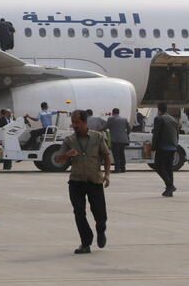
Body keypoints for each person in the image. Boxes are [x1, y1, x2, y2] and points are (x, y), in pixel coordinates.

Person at [54, 110, 110, 254]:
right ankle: (85, 242)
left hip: (95, 181)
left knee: (100, 214)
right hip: (76, 182)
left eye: (76, 122)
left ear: (85, 122)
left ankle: (101, 230)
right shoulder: (69, 140)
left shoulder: (98, 137)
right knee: (79, 213)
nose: (74, 125)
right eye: (72, 122)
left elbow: (106, 156)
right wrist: (67, 154)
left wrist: (107, 175)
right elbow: (57, 159)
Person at [149, 103, 179, 196]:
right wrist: (176, 145)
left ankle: (170, 186)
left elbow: (156, 134)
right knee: (169, 168)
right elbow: (177, 134)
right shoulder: (173, 119)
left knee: (158, 166)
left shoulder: (159, 118)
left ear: (158, 109)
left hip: (163, 146)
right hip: (173, 146)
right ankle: (169, 191)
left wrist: (153, 147)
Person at [105, 108, 131, 173]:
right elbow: (129, 128)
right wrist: (126, 134)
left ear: (112, 112)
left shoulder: (110, 119)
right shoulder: (124, 119)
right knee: (122, 154)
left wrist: (98, 130)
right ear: (119, 112)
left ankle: (117, 169)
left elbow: (105, 127)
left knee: (116, 155)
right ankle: (123, 168)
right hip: (123, 140)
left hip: (115, 140)